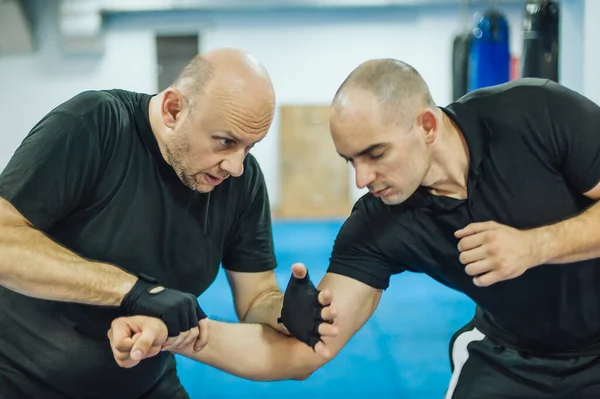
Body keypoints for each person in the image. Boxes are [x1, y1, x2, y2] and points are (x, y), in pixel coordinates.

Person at [109, 57, 600, 399]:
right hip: (511, 357)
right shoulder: (377, 225)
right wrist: (179, 335)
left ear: (426, 126)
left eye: (375, 154)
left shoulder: (537, 114)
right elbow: (305, 352)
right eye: (350, 161)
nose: (362, 179)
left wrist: (535, 246)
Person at [0, 47, 337, 399]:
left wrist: (282, 312)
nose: (235, 166)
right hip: (21, 379)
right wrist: (133, 292)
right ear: (173, 109)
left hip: (145, 383)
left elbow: (255, 299)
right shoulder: (95, 124)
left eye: (249, 148)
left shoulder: (242, 181)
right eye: (225, 142)